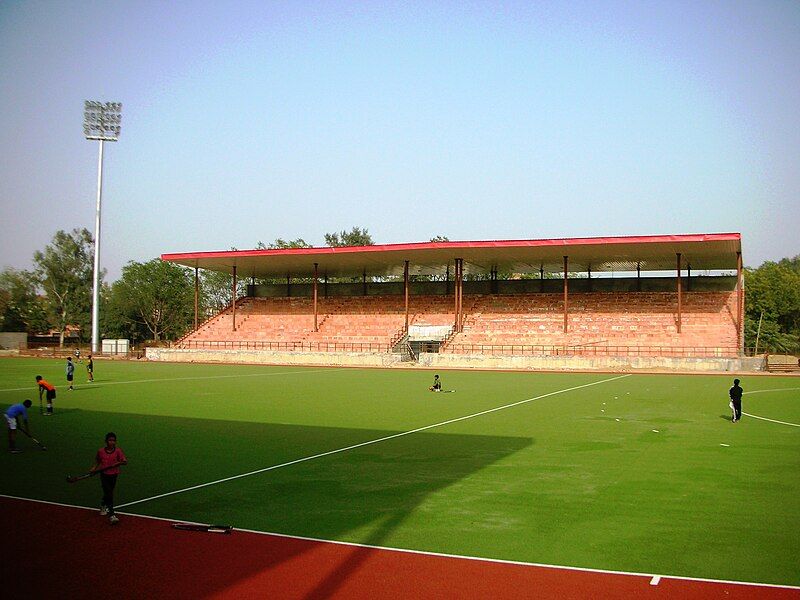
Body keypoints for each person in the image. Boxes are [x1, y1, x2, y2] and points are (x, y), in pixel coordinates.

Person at [91, 432, 127, 525]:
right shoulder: (101, 451)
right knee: (109, 493)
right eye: (110, 440)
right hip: (104, 474)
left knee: (109, 492)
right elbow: (98, 461)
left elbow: (124, 461)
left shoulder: (118, 451)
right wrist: (94, 468)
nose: (112, 442)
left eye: (114, 441)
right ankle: (112, 515)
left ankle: (103, 504)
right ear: (106, 441)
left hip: (114, 474)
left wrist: (118, 463)